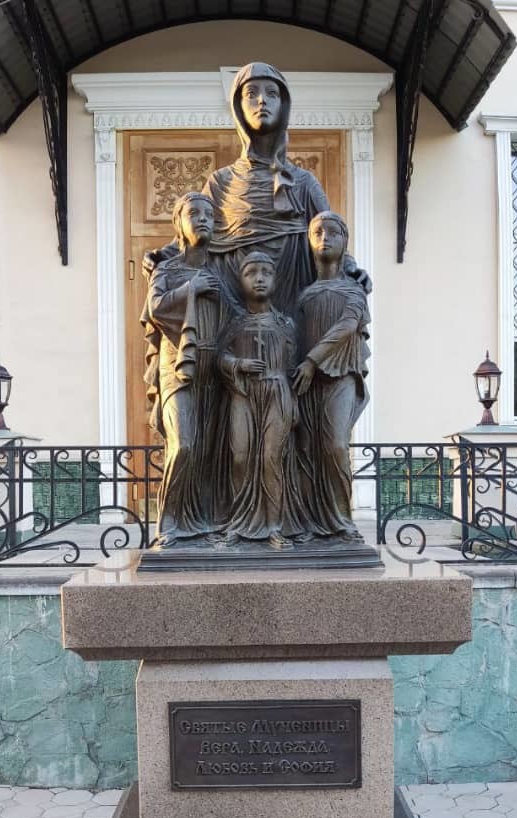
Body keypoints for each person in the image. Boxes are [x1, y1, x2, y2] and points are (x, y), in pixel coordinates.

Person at [144, 62, 370, 319]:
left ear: (283, 106)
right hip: (233, 299)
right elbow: (193, 232)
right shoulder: (221, 182)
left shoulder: (304, 182)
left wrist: (350, 268)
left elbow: (328, 232)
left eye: (271, 93)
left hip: (291, 295)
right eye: (251, 93)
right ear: (238, 107)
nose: (262, 100)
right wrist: (163, 257)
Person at [142, 192, 231, 546]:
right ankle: (169, 523)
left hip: (215, 368)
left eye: (209, 214)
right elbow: (155, 307)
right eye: (194, 213)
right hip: (177, 367)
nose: (203, 219)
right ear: (178, 223)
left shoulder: (222, 270)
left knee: (209, 450)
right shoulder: (167, 269)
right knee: (185, 445)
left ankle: (202, 522)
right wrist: (190, 289)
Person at [294, 211, 370, 540]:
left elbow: (347, 326)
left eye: (333, 232)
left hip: (340, 375)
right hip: (306, 382)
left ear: (345, 242)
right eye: (318, 232)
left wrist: (312, 360)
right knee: (306, 449)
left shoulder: (353, 290)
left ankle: (341, 521)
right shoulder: (304, 295)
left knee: (336, 446)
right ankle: (310, 522)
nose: (325, 238)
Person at [219, 251, 301, 547]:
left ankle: (274, 526)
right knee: (240, 456)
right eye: (251, 272)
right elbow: (220, 357)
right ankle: (240, 524)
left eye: (266, 272)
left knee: (270, 458)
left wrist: (293, 405)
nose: (259, 278)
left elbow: (293, 367)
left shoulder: (286, 324)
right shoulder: (235, 324)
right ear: (240, 281)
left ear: (276, 280)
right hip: (243, 395)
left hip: (277, 394)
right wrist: (237, 364)